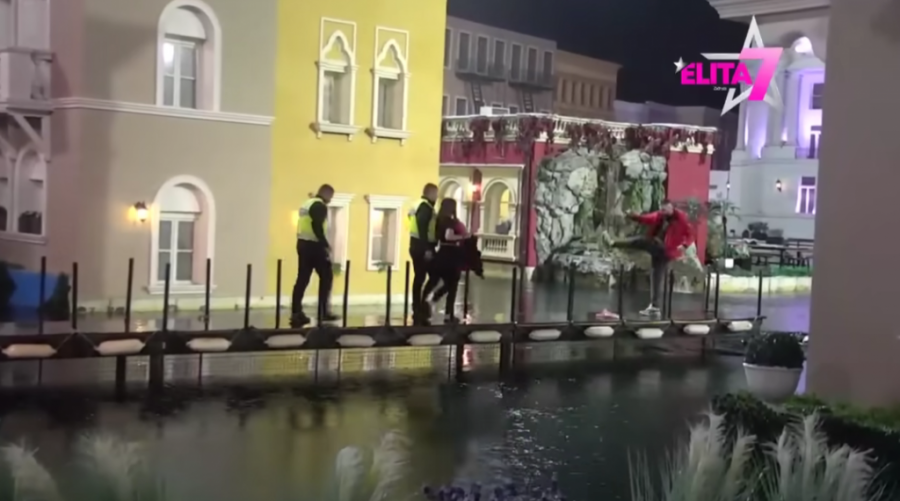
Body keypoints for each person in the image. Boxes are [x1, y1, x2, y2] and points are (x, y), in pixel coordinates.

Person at [604, 199, 693, 316]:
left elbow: (691, 234)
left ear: (671, 208)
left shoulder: (681, 218)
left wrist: (685, 245)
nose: (663, 212)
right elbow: (647, 218)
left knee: (643, 241)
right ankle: (655, 307)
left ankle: (613, 242)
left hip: (667, 250)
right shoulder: (660, 215)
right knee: (656, 277)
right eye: (662, 209)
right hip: (659, 249)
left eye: (665, 210)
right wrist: (633, 216)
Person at [291, 184, 339, 326]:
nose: (330, 200)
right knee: (326, 276)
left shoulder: (307, 203)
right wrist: (325, 244)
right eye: (331, 197)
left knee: (302, 279)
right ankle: (323, 312)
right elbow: (317, 226)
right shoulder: (319, 206)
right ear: (327, 194)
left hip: (302, 243)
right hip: (314, 245)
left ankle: (296, 312)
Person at [422, 198, 468, 324]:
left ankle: (425, 304)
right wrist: (464, 236)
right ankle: (447, 313)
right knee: (452, 285)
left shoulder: (437, 220)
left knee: (435, 280)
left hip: (440, 253)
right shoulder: (449, 221)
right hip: (451, 255)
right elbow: (449, 236)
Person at [408, 183, 438, 325]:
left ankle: (419, 306)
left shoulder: (417, 205)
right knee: (431, 275)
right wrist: (426, 248)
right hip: (423, 247)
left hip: (415, 245)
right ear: (430, 193)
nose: (437, 197)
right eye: (436, 194)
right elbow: (422, 227)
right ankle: (420, 305)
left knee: (420, 277)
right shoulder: (425, 207)